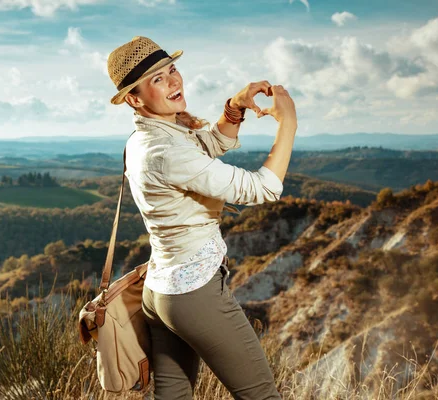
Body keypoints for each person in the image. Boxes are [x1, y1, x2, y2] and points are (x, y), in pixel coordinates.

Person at [106, 36, 296, 400]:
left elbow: (203, 149)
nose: (174, 82)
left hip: (161, 292)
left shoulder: (146, 138)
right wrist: (289, 125)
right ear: (134, 98)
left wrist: (235, 109)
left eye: (172, 70)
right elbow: (261, 189)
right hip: (193, 295)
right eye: (158, 79)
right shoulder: (164, 151)